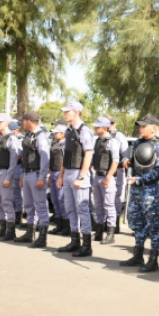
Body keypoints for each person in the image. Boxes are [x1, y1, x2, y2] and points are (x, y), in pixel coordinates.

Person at [120, 115, 159, 272]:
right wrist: (127, 162)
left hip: (151, 190)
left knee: (154, 225)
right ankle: (138, 255)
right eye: (140, 126)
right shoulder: (138, 143)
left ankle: (153, 260)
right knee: (137, 222)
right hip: (136, 188)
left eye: (144, 126)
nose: (140, 129)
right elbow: (137, 161)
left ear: (153, 128)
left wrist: (140, 180)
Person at [56, 101, 95, 258]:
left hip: (79, 173)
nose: (65, 114)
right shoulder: (69, 130)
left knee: (82, 209)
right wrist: (61, 175)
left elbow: (88, 154)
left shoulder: (84, 130)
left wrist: (82, 177)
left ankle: (87, 246)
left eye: (68, 111)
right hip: (68, 172)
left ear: (76, 112)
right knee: (70, 208)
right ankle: (75, 241)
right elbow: (66, 155)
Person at [16, 111, 52, 247]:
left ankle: (42, 237)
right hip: (27, 173)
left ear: (29, 121)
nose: (22, 123)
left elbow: (44, 158)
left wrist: (42, 177)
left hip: (36, 174)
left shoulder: (40, 137)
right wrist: (22, 175)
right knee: (29, 205)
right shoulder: (28, 135)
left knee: (40, 206)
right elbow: (24, 157)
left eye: (23, 121)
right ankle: (29, 233)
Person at [0, 114, 22, 241]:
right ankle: (2, 228)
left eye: (0, 122)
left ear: (7, 122)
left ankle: (11, 230)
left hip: (5, 171)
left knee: (7, 201)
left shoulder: (11, 138)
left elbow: (13, 160)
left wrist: (9, 177)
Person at [91, 116, 120, 244]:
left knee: (109, 206)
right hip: (97, 176)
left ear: (104, 127)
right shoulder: (97, 140)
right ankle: (99, 232)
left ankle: (110, 234)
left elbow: (115, 161)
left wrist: (108, 176)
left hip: (107, 177)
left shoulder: (112, 142)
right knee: (98, 206)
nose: (95, 128)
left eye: (97, 126)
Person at [48, 120, 70, 236]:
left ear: (63, 133)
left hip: (60, 174)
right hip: (53, 173)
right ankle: (59, 224)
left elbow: (65, 161)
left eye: (57, 132)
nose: (55, 134)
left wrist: (61, 176)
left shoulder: (65, 144)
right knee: (55, 200)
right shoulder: (55, 143)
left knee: (62, 201)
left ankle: (66, 226)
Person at [108, 116, 129, 233]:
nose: (110, 125)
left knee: (116, 198)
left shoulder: (119, 136)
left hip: (117, 172)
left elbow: (125, 156)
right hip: (105, 171)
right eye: (108, 123)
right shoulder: (103, 135)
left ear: (115, 123)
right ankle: (106, 224)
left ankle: (115, 225)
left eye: (111, 123)